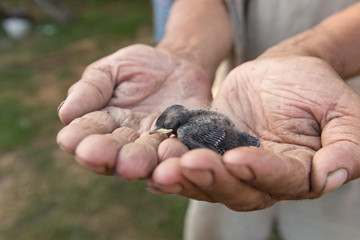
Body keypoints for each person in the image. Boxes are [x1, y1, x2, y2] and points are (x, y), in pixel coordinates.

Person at [57, 0, 360, 239]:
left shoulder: (189, 130)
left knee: (333, 215)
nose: (163, 130)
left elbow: (219, 136)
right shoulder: (191, 121)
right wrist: (183, 51)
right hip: (244, 101)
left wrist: (314, 53)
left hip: (327, 105)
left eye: (166, 127)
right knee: (221, 200)